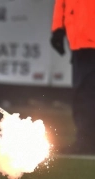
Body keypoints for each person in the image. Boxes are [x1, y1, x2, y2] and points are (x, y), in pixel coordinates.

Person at [51, 0, 95, 155]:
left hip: (87, 40)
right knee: (83, 94)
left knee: (85, 94)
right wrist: (58, 28)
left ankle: (86, 141)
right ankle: (86, 140)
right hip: (80, 42)